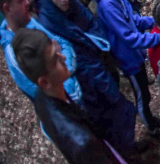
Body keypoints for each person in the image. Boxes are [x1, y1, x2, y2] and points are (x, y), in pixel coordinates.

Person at [38, 0, 137, 155]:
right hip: (88, 86)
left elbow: (91, 24)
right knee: (107, 126)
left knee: (119, 117)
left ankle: (130, 148)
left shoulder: (73, 5)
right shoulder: (48, 24)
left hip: (102, 68)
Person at [11, 28, 124, 164]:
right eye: (55, 60)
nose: (63, 57)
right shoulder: (83, 144)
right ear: (45, 82)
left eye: (57, 52)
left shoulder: (43, 96)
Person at [95, 0, 160, 134]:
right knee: (141, 95)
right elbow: (129, 37)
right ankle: (152, 129)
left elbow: (134, 20)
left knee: (145, 90)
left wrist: (155, 20)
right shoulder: (107, 5)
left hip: (136, 55)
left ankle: (151, 119)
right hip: (127, 58)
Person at [0, 0, 82, 103]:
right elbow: (50, 95)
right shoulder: (13, 54)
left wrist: (61, 69)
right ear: (7, 8)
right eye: (21, 0)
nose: (28, 2)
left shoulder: (29, 22)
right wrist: (65, 70)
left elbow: (64, 43)